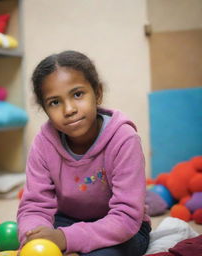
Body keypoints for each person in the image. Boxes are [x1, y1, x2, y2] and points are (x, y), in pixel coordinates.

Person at [17, 50, 151, 256]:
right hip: (67, 220)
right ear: (45, 109)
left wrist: (65, 239)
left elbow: (126, 217)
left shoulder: (124, 138)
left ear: (97, 93)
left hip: (124, 229)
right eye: (55, 102)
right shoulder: (43, 143)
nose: (69, 109)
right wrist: (35, 239)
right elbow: (34, 206)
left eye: (78, 94)